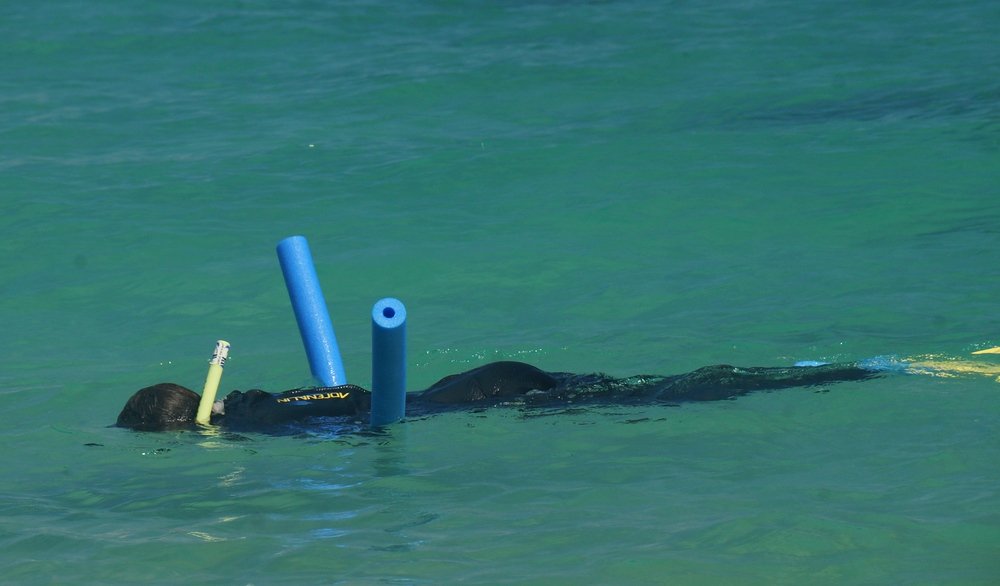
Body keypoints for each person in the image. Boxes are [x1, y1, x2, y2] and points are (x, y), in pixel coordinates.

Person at [115, 359, 878, 432]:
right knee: (659, 387)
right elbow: (348, 390)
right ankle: (831, 370)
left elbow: (350, 407)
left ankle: (845, 373)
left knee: (688, 397)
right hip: (477, 381)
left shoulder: (260, 424)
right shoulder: (256, 404)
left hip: (490, 399)